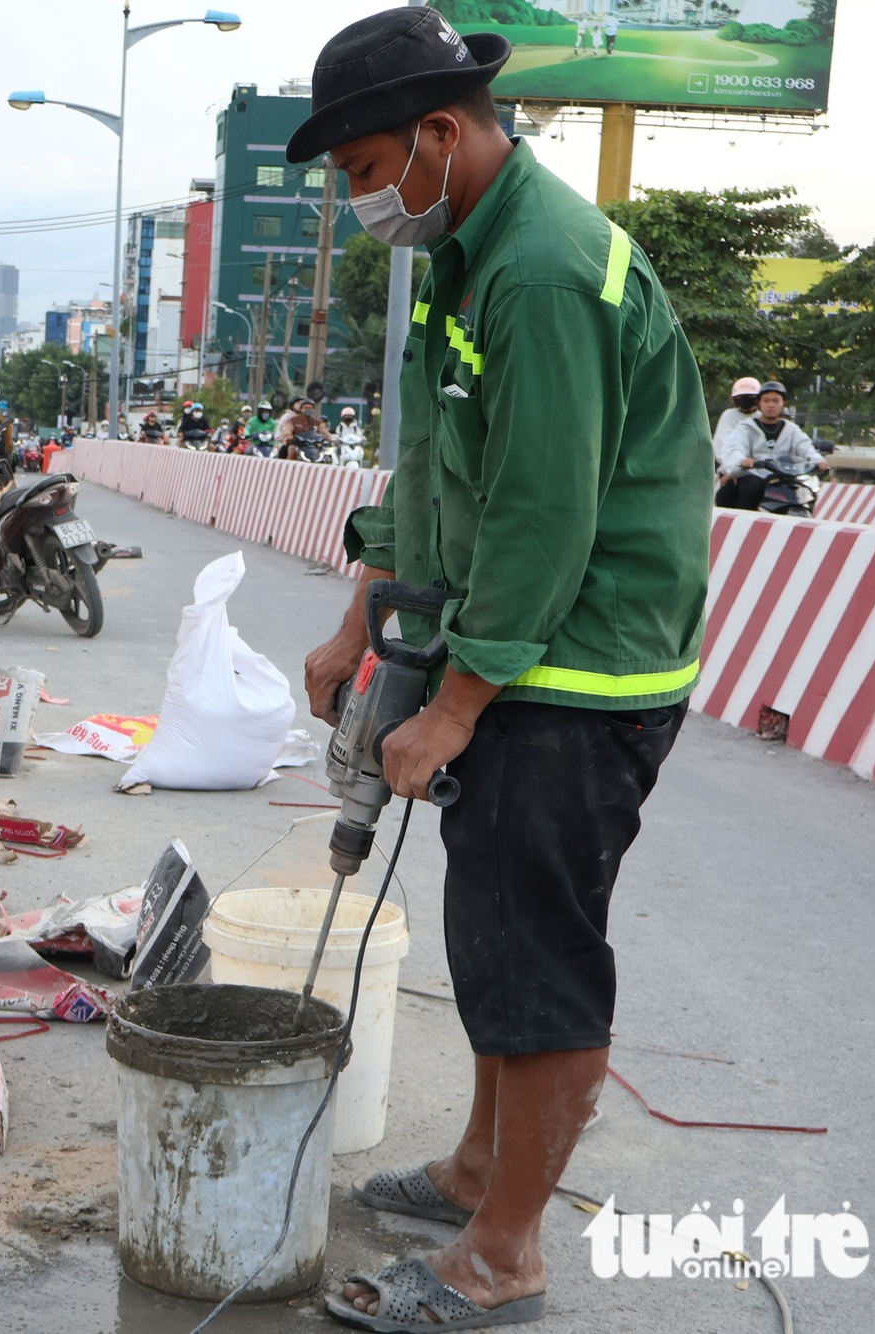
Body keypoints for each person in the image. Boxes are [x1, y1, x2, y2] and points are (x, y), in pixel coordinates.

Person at [294, 9, 710, 1327]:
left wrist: (456, 702)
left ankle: (504, 1253)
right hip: (517, 655)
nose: (363, 200)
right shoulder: (470, 258)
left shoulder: (538, 269)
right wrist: (362, 616)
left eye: (365, 169)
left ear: (439, 133)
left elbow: (541, 512)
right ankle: (479, 1168)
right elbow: (434, 468)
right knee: (488, 933)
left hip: (575, 675)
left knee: (537, 958)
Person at [713, 380, 824, 510]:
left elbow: (805, 447)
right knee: (752, 487)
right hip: (750, 474)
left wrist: (819, 460)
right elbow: (732, 447)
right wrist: (740, 462)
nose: (771, 405)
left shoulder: (791, 429)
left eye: (776, 401)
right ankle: (744, 524)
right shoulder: (746, 427)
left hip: (782, 476)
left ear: (783, 404)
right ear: (759, 403)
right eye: (766, 401)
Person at [712, 376, 763, 473]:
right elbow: (721, 444)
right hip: (732, 469)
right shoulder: (729, 416)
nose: (745, 400)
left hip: (760, 469)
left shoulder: (761, 417)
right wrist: (733, 465)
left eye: (749, 397)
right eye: (741, 397)